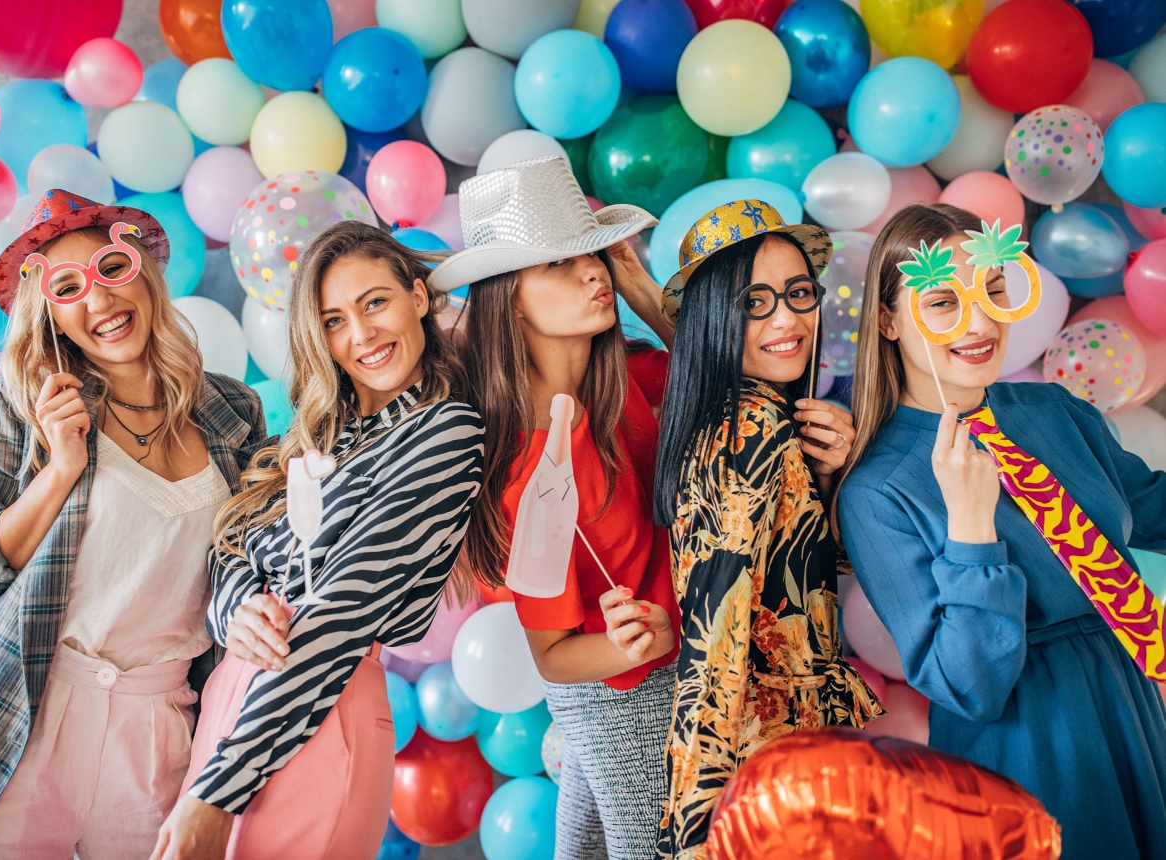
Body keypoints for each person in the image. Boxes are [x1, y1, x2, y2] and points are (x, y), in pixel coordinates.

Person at [0, 190, 268, 860]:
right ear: (50, 312)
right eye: (67, 287)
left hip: (160, 726)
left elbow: (248, 556)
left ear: (141, 273)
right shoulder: (18, 406)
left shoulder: (232, 408)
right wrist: (59, 470)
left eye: (111, 270)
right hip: (24, 710)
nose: (99, 302)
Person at [836, 202, 1166, 860]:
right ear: (887, 319)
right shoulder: (877, 490)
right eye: (942, 302)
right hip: (1032, 746)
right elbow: (970, 685)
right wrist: (969, 527)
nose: (980, 322)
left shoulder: (1054, 411)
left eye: (991, 290)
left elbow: (1151, 507)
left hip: (1130, 707)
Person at [152, 221, 484, 860]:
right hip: (237, 695)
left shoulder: (445, 431)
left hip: (321, 704)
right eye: (333, 320)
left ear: (418, 297)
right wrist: (238, 610)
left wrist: (219, 794)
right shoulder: (316, 436)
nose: (360, 336)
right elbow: (230, 545)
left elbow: (341, 614)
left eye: (375, 303)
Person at [434, 156, 681, 860]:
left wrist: (637, 284)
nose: (590, 272)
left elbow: (725, 375)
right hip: (624, 693)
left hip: (684, 670)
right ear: (509, 297)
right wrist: (635, 644)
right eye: (558, 264)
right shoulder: (518, 465)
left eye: (591, 254)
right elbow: (554, 656)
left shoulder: (622, 378)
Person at [653, 200, 884, 860]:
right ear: (715, 320)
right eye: (755, 303)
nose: (787, 320)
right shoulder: (747, 432)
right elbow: (713, 645)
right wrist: (693, 832)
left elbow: (798, 579)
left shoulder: (756, 422)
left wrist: (836, 479)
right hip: (762, 776)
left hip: (790, 760)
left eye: (798, 294)